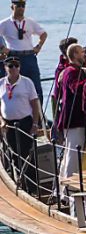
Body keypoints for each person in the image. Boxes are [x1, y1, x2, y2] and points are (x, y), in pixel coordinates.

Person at [0, 56, 44, 189]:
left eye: (16, 66)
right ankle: (20, 183)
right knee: (13, 154)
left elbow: (35, 103)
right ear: (5, 68)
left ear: (19, 67)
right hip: (8, 124)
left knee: (27, 154)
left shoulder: (27, 82)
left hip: (25, 122)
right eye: (10, 66)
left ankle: (32, 186)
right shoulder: (1, 83)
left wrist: (35, 124)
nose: (13, 68)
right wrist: (2, 121)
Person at [0, 0, 48, 105]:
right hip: (13, 57)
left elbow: (43, 34)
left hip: (29, 56)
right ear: (12, 7)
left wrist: (39, 46)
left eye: (23, 6)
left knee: (36, 87)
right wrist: (2, 48)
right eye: (18, 6)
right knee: (13, 86)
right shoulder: (5, 23)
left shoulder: (30, 22)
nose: (21, 8)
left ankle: (39, 117)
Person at [54, 44, 86, 178]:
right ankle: (68, 190)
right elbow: (75, 88)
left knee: (70, 154)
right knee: (73, 155)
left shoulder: (75, 71)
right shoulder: (71, 72)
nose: (84, 55)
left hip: (75, 119)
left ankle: (63, 187)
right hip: (74, 120)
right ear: (75, 54)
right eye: (81, 52)